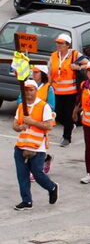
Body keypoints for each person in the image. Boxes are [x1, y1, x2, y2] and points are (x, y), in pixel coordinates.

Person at [12, 79, 58, 210]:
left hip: (38, 146)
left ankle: (52, 187)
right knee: (22, 175)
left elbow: (49, 125)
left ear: (36, 91)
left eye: (31, 90)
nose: (28, 93)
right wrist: (20, 126)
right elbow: (14, 124)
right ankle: (26, 201)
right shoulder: (21, 106)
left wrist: (32, 122)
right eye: (26, 90)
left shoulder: (44, 106)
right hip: (21, 145)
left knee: (37, 174)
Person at [49, 33, 87, 147]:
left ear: (67, 45)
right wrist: (49, 84)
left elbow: (88, 64)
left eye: (61, 43)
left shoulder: (75, 55)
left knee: (68, 115)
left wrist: (78, 67)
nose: (58, 45)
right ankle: (70, 125)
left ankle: (67, 138)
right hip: (57, 91)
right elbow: (50, 70)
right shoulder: (53, 55)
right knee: (58, 114)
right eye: (57, 43)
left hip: (71, 92)